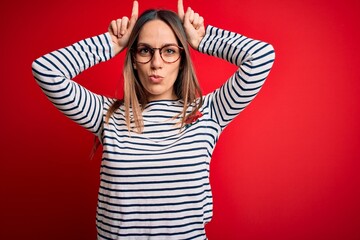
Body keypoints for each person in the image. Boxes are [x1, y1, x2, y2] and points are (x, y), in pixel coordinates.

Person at [32, 0, 275, 239]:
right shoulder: (106, 115)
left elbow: (261, 57)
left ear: (181, 60)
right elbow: (46, 70)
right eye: (145, 50)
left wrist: (204, 39)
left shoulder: (210, 111)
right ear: (134, 59)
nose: (156, 63)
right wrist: (112, 43)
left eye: (169, 51)